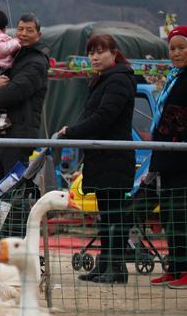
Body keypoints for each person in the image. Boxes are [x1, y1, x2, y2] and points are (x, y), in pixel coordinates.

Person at [57, 34, 136, 284]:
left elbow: (104, 117)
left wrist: (71, 132)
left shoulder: (119, 81)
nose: (94, 57)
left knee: (114, 214)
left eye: (100, 51)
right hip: (101, 157)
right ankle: (105, 265)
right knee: (106, 214)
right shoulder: (102, 81)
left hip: (114, 158)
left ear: (114, 53)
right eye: (91, 52)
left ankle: (116, 267)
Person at [0, 13, 50, 184]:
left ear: (38, 35)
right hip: (2, 130)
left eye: (29, 30)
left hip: (19, 132)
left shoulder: (37, 61)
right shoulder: (12, 56)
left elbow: (16, 90)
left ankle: (18, 212)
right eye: (20, 29)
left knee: (12, 186)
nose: (23, 33)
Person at [148, 25, 187, 289]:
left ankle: (184, 269)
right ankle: (174, 267)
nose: (176, 53)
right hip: (167, 157)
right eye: (172, 48)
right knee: (171, 215)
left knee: (183, 215)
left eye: (182, 48)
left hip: (181, 158)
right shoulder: (174, 78)